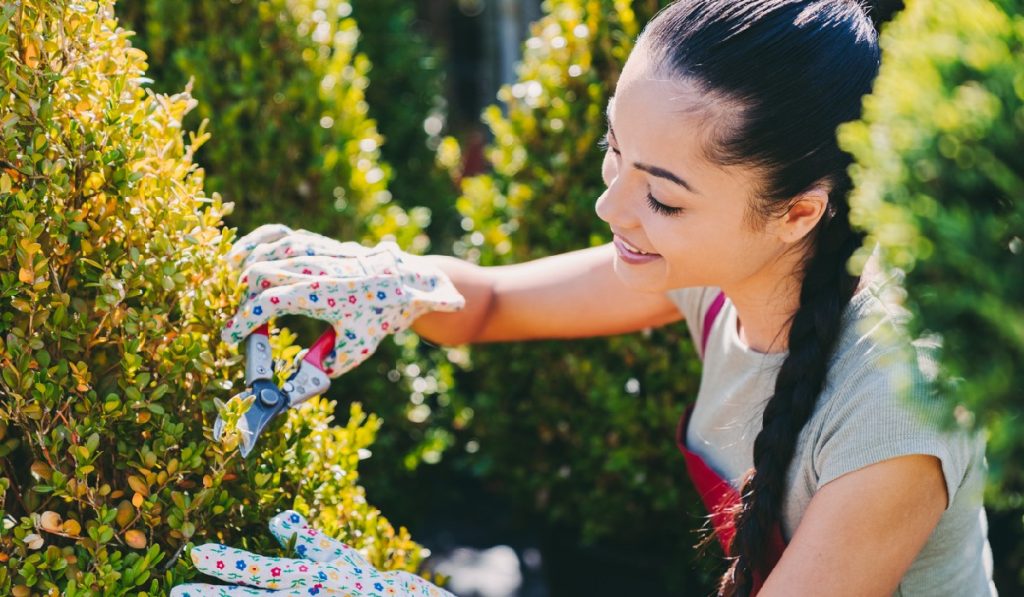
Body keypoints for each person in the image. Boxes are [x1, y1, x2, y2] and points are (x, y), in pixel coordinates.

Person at [176, 1, 996, 596]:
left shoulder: (895, 402)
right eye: (616, 151)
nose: (611, 207)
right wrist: (390, 279)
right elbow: (493, 305)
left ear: (799, 213)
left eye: (663, 197)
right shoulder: (725, 271)